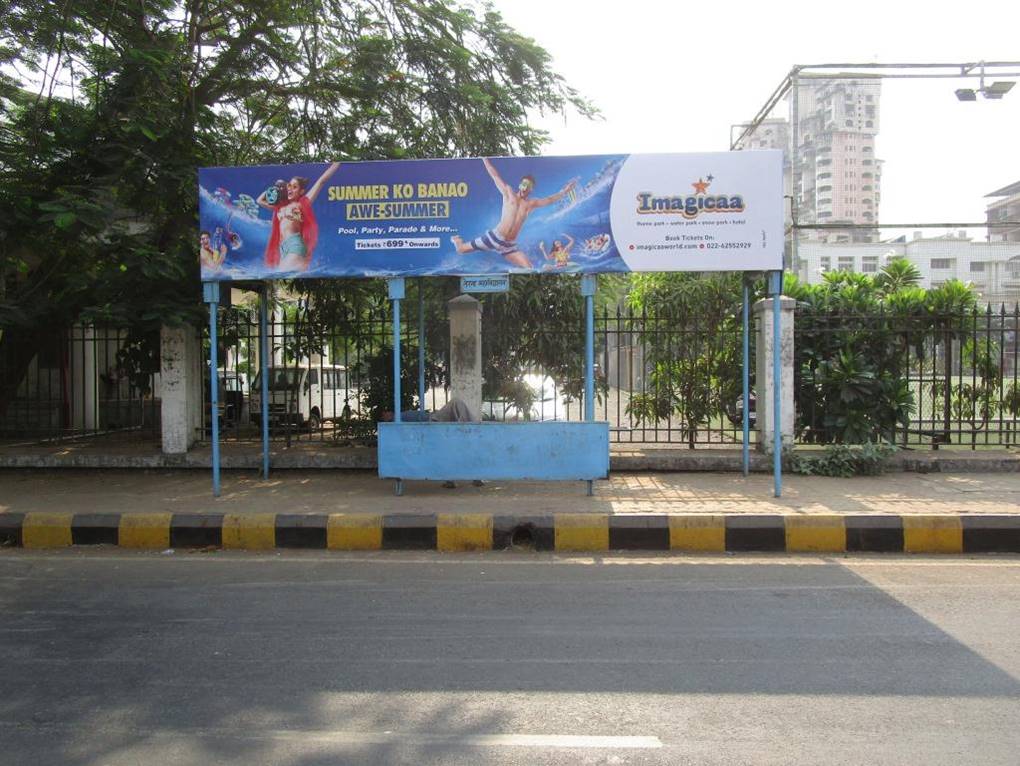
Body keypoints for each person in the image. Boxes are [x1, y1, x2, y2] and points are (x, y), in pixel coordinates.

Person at [451, 158, 576, 269]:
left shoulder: (531, 204)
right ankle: (457, 241)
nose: (525, 187)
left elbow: (550, 200)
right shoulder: (508, 194)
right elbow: (495, 176)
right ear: (520, 185)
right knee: (461, 250)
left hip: (509, 246)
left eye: (528, 186)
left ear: (531, 189)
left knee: (530, 268)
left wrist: (565, 191)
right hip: (494, 238)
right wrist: (485, 159)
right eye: (523, 184)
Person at [380, 398, 482, 488]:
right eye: (384, 414)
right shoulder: (395, 421)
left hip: (435, 421)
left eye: (386, 413)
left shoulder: (398, 417)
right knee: (456, 402)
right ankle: (471, 427)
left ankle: (469, 427)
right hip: (434, 422)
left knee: (452, 452)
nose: (386, 414)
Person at [258, 161, 341, 271]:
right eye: (289, 186)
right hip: (283, 247)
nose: (290, 189)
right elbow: (259, 200)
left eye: (294, 187)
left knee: (282, 272)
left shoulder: (301, 204)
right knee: (286, 274)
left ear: (301, 191)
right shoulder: (279, 207)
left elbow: (321, 181)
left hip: (295, 244)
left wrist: (337, 163)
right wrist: (274, 188)